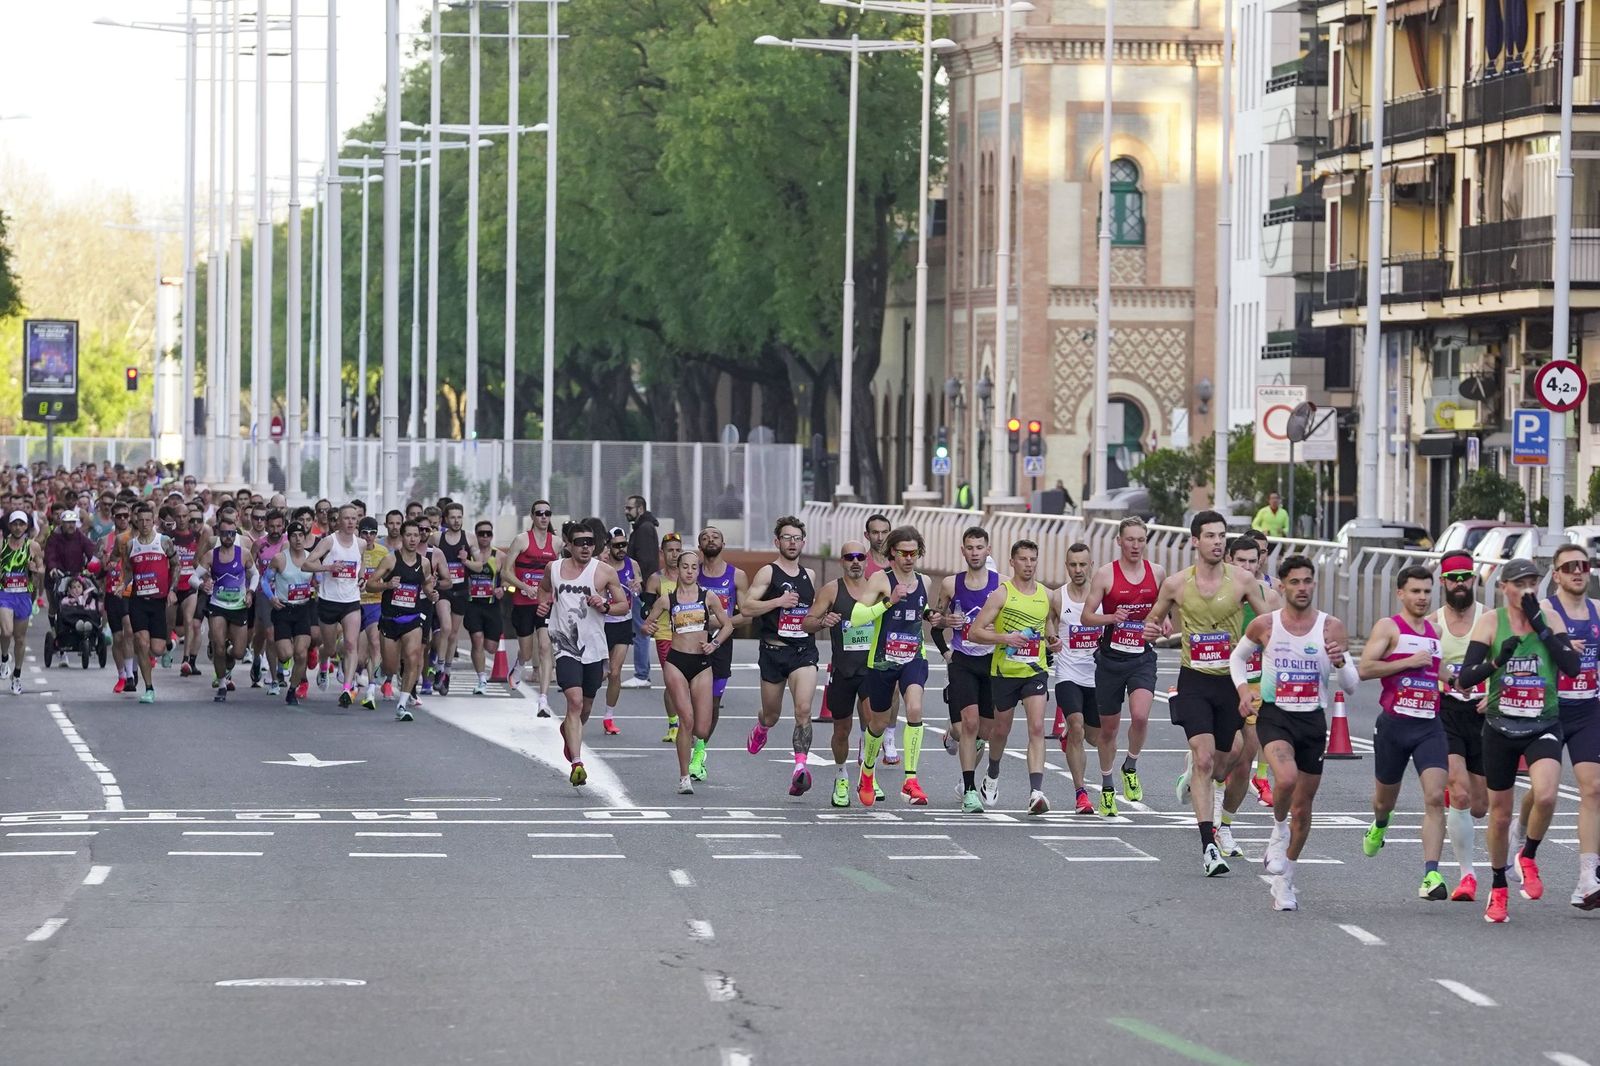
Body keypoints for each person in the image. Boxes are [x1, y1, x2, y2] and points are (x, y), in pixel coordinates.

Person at [1453, 558, 1582, 923]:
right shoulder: (1491, 622)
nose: (1527, 590)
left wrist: (1541, 628)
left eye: (1532, 583)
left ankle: (1528, 855)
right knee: (1499, 816)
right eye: (1520, 584)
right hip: (1500, 727)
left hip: (1543, 722)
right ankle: (1498, 887)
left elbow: (1572, 668)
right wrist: (1497, 663)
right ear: (1503, 587)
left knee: (1546, 795)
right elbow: (1465, 679)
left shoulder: (1550, 617)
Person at [1143, 510, 1270, 876]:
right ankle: (1208, 846)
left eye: (1221, 535)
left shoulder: (1243, 581)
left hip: (1231, 680)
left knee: (1227, 758)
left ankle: (1199, 781)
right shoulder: (1177, 584)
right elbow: (1153, 619)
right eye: (1211, 536)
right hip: (1194, 680)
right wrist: (1155, 627)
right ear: (1195, 541)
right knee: (1203, 759)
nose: (1217, 542)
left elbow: (1267, 624)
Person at [1231, 554, 1356, 910]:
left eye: (1307, 581)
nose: (1302, 588)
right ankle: (1277, 829)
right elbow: (1237, 659)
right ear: (1282, 586)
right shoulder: (1266, 625)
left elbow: (1351, 685)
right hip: (1276, 716)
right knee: (1284, 779)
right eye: (1295, 582)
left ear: (1314, 584)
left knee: (1303, 809)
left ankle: (1285, 880)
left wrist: (1341, 662)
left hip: (1312, 720)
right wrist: (1243, 690)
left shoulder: (1331, 627)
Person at [1357, 565, 1451, 901]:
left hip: (1429, 726)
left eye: (1427, 591)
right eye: (1415, 591)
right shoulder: (1389, 627)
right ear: (1401, 593)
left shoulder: (1435, 631)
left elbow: (1437, 669)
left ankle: (1431, 875)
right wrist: (1407, 662)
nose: (1422, 597)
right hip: (1394, 725)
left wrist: (1458, 680)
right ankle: (1380, 824)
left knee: (1435, 797)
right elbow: (1365, 668)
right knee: (1384, 801)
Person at [968, 538, 1063, 815]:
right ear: (1012, 562)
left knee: (1037, 728)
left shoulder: (1045, 594)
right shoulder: (1001, 594)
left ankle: (1036, 792)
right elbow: (975, 632)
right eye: (1023, 559)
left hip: (1034, 671)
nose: (1028, 564)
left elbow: (1046, 622)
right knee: (1001, 730)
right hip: (1004, 672)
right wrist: (1005, 638)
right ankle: (992, 772)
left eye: (1033, 559)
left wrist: (1053, 640)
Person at [1081, 516, 1167, 815]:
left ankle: (1130, 765)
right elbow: (1086, 617)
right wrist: (1111, 618)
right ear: (1119, 541)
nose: (1135, 545)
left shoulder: (1157, 573)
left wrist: (1164, 622)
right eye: (1130, 539)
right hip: (1110, 660)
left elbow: (1165, 609)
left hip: (1142, 657)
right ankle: (1107, 787)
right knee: (1108, 730)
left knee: (1141, 716)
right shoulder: (1105, 575)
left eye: (1140, 540)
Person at [1533, 544, 1600, 909]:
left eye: (1583, 566)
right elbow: (1527, 654)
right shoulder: (1545, 611)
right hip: (1551, 709)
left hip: (1588, 708)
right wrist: (1558, 648)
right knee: (1543, 792)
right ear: (1556, 575)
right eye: (1569, 566)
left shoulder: (1598, 611)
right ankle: (1520, 836)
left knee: (1594, 788)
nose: (1577, 571)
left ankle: (1587, 877)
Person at [540, 522, 631, 786]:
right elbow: (544, 589)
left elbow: (624, 606)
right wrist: (543, 604)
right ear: (568, 545)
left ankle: (568, 731)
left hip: (594, 646)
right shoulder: (553, 568)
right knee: (575, 701)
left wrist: (605, 606)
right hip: (564, 644)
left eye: (590, 542)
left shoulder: (604, 571)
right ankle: (577, 763)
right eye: (579, 542)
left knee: (586, 706)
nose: (585, 547)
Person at [742, 516, 822, 796]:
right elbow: (747, 607)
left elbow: (814, 610)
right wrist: (778, 601)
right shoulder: (768, 573)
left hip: (803, 651)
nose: (792, 543)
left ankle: (800, 769)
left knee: (803, 710)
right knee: (772, 714)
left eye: (797, 538)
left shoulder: (810, 575)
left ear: (803, 543)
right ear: (777, 542)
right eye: (787, 538)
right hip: (774, 651)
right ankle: (762, 727)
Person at [643, 549, 733, 795]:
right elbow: (646, 625)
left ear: (698, 570)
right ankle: (684, 777)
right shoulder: (667, 599)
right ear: (678, 569)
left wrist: (714, 644)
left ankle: (694, 750)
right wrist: (648, 628)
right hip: (676, 662)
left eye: (694, 567)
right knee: (687, 719)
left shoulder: (708, 596)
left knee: (701, 729)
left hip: (702, 663)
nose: (690, 571)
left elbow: (728, 625)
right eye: (685, 567)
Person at [854, 525, 932, 806]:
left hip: (914, 656)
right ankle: (867, 772)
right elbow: (858, 616)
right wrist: (888, 602)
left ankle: (911, 780)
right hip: (882, 660)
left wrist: (931, 615)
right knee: (878, 722)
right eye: (903, 553)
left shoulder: (924, 581)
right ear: (892, 553)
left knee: (915, 708)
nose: (909, 558)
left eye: (914, 553)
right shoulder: (880, 579)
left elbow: (920, 610)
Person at [1433, 550, 1489, 902]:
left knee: (1481, 806)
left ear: (1473, 579)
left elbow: (1508, 662)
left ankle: (1453, 793)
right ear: (1443, 582)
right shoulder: (1434, 623)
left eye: (1464, 577)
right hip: (1446, 711)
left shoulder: (1489, 619)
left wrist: (1495, 695)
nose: (1459, 584)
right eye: (1452, 578)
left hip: (1483, 713)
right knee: (1462, 793)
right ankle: (1467, 875)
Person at [803, 540, 877, 808]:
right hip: (843, 670)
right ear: (841, 561)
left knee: (873, 723)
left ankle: (868, 775)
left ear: (866, 559)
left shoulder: (878, 588)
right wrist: (823, 621)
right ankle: (841, 775)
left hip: (871, 668)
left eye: (859, 557)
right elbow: (807, 622)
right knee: (842, 729)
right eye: (849, 557)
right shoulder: (832, 590)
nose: (855, 562)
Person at [931, 526, 1001, 807]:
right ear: (963, 551)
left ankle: (957, 746)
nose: (975, 553)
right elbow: (935, 621)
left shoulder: (1002, 584)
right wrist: (946, 630)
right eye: (970, 548)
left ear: (988, 550)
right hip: (962, 661)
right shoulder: (951, 584)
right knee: (969, 724)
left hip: (992, 662)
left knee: (985, 731)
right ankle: (970, 789)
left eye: (979, 547)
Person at [366, 519, 435, 722]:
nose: (413, 539)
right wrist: (387, 585)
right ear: (402, 537)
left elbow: (426, 585)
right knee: (391, 666)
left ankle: (402, 704)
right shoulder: (390, 560)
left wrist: (431, 594)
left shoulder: (424, 563)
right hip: (390, 619)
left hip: (413, 618)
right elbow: (370, 585)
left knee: (413, 658)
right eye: (409, 535)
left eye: (416, 535)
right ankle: (382, 671)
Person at [1051, 542, 1102, 815]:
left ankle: (1070, 734)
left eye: (1083, 564)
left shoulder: (1102, 596)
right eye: (1073, 565)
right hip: (1068, 672)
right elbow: (1047, 623)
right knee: (1077, 725)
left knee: (1095, 737)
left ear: (1091, 565)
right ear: (1067, 567)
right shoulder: (1058, 597)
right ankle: (1081, 794)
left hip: (1097, 675)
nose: (1078, 569)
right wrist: (1051, 639)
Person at [301, 504, 365, 707]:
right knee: (329, 648)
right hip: (329, 600)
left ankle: (346, 688)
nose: (350, 522)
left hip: (351, 600)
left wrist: (361, 578)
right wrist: (328, 567)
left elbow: (361, 564)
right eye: (346, 518)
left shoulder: (361, 543)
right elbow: (306, 564)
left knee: (351, 644)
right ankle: (323, 662)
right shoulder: (329, 541)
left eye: (354, 518)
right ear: (339, 521)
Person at [696, 526, 749, 768]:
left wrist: (721, 623)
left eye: (715, 537)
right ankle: (690, 740)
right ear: (699, 546)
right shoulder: (692, 572)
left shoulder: (737, 575)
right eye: (705, 538)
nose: (710, 540)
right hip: (693, 642)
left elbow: (746, 616)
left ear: (723, 544)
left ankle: (700, 750)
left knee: (713, 702)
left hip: (721, 644)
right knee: (692, 700)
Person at [190, 514, 257, 703]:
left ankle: (229, 652)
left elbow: (255, 574)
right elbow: (193, 578)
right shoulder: (211, 555)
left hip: (239, 606)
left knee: (239, 653)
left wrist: (250, 592)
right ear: (219, 533)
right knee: (218, 647)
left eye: (232, 533)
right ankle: (221, 685)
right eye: (225, 533)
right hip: (217, 605)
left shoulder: (244, 554)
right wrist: (202, 585)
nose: (229, 536)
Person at [119, 503, 179, 704]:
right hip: (138, 600)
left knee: (157, 648)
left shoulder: (164, 542)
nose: (144, 524)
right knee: (141, 642)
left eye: (148, 520)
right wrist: (123, 585)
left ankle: (163, 649)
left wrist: (172, 590)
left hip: (158, 601)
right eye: (141, 521)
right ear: (136, 522)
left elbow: (176, 564)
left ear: (153, 521)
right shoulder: (130, 545)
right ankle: (149, 688)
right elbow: (129, 571)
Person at [505, 500, 561, 714]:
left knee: (545, 647)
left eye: (547, 513)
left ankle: (543, 699)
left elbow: (563, 570)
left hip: (545, 603)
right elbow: (505, 572)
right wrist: (524, 587)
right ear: (532, 516)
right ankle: (519, 665)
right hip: (523, 603)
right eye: (539, 513)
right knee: (527, 652)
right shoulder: (521, 540)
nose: (544, 517)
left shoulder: (556, 543)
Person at [642, 532, 685, 743]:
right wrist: (648, 622)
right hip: (665, 635)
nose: (674, 555)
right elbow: (645, 609)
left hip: (689, 635)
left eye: (678, 550)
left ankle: (687, 723)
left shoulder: (691, 576)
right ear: (662, 553)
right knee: (673, 682)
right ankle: (674, 724)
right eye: (670, 551)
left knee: (688, 682)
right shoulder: (656, 579)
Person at [268, 522, 317, 706]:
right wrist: (271, 597)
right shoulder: (280, 559)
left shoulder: (311, 558)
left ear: (305, 537)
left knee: (301, 654)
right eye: (294, 536)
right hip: (283, 609)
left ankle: (292, 690)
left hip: (303, 609)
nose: (298, 539)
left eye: (301, 535)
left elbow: (319, 580)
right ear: (288, 538)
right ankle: (282, 663)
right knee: (286, 654)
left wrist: (318, 588)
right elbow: (265, 581)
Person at [600, 527, 641, 734]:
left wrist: (637, 587)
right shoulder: (600, 564)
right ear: (608, 546)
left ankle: (609, 717)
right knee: (599, 674)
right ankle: (581, 705)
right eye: (616, 545)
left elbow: (639, 586)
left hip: (623, 622)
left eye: (624, 544)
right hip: (601, 623)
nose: (621, 549)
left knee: (615, 672)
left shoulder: (632, 564)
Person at [0, 511, 45, 693]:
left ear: (26, 526)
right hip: (4, 594)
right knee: (6, 631)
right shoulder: (2, 545)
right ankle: (4, 659)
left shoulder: (33, 546)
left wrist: (35, 569)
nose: (18, 528)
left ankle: (16, 675)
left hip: (23, 595)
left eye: (21, 524)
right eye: (15, 524)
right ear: (9, 526)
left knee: (19, 639)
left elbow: (41, 568)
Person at [462, 519, 504, 696]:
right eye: (481, 534)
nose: (485, 537)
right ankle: (481, 679)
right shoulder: (468, 555)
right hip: (473, 604)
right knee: (477, 639)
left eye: (488, 533)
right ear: (476, 535)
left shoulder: (499, 556)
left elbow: (508, 576)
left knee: (491, 647)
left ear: (492, 535)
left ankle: (482, 677)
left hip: (492, 605)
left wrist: (503, 588)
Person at [623, 495, 660, 689]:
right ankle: (642, 673)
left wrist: (641, 585)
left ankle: (642, 674)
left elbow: (646, 561)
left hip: (641, 589)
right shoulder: (642, 528)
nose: (626, 511)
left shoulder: (644, 529)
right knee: (641, 630)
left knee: (641, 630)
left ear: (640, 508)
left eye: (630, 508)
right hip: (642, 587)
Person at [357, 517, 389, 706]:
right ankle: (350, 670)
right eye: (365, 533)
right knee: (359, 656)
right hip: (355, 603)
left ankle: (371, 690)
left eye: (372, 533)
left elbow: (390, 575)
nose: (368, 537)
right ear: (359, 533)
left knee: (375, 644)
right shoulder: (352, 549)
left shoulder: (383, 552)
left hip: (376, 603)